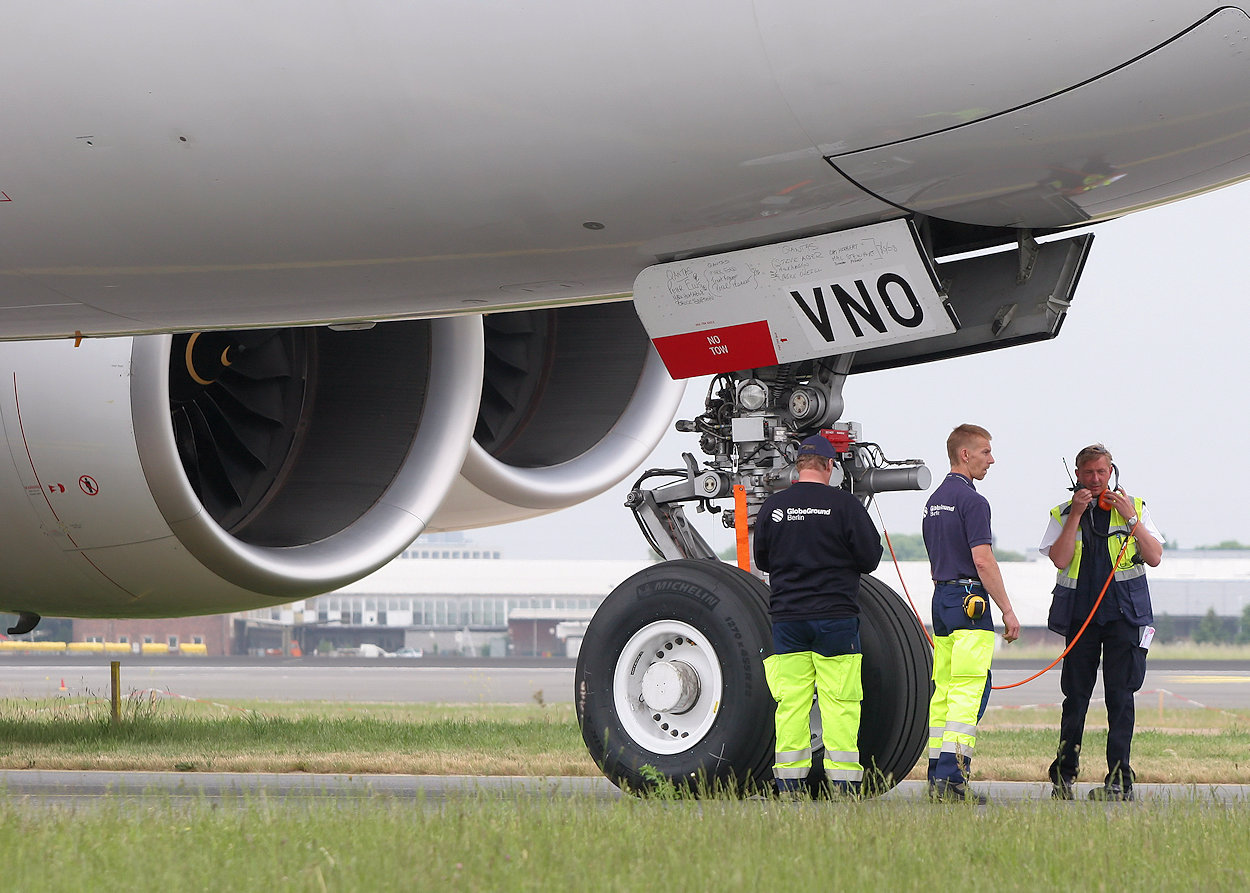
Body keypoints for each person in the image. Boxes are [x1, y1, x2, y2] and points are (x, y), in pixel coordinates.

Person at [753, 434, 883, 798]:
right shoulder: (844, 506)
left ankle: (790, 784)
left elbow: (762, 559)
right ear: (830, 466)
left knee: (791, 700)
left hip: (788, 620)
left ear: (798, 466)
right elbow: (870, 560)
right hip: (835, 619)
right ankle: (842, 784)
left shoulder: (775, 507)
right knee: (839, 701)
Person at [1039, 443, 1163, 801]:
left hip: (1124, 618)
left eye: (1101, 473)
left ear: (1112, 473)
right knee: (1075, 699)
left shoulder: (1134, 508)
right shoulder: (1063, 513)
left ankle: (1119, 780)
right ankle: (1064, 775)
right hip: (1082, 619)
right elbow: (1061, 560)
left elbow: (1154, 556)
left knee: (1120, 699)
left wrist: (1131, 520)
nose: (1095, 480)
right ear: (1077, 475)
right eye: (1088, 473)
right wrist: (1077, 514)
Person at [922, 423, 1020, 803]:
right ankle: (952, 780)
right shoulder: (973, 502)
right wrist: (1008, 610)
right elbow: (983, 559)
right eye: (985, 452)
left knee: (943, 692)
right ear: (965, 454)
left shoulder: (933, 501)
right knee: (969, 692)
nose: (991, 459)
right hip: (969, 602)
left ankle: (936, 775)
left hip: (942, 600)